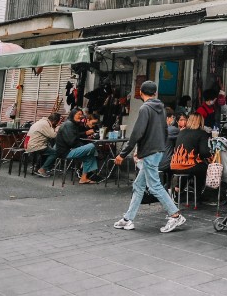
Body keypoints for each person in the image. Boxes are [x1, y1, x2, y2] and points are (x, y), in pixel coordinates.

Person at [113, 81, 186, 234]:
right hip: (156, 151)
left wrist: (123, 153)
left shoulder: (145, 108)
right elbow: (164, 131)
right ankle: (128, 219)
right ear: (155, 93)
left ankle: (175, 214)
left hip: (150, 153)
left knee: (154, 186)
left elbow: (137, 133)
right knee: (139, 186)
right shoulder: (161, 108)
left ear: (141, 92)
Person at [54, 108, 99, 184]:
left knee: (90, 154)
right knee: (92, 146)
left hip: (70, 149)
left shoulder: (74, 124)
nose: (81, 116)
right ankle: (90, 173)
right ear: (72, 114)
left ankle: (84, 178)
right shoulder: (68, 124)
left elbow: (77, 135)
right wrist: (84, 147)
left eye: (81, 114)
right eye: (78, 114)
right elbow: (72, 142)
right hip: (65, 152)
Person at [170, 112, 211, 191]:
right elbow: (204, 153)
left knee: (189, 166)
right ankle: (199, 194)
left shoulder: (181, 132)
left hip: (174, 165)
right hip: (188, 166)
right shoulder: (202, 133)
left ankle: (179, 189)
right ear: (200, 122)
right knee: (204, 168)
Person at [27, 112, 61, 177]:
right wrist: (57, 128)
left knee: (47, 150)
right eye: (57, 123)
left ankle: (37, 168)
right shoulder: (45, 124)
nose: (57, 124)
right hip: (35, 146)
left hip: (30, 144)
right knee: (55, 153)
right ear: (54, 121)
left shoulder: (41, 122)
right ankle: (43, 169)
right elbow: (53, 135)